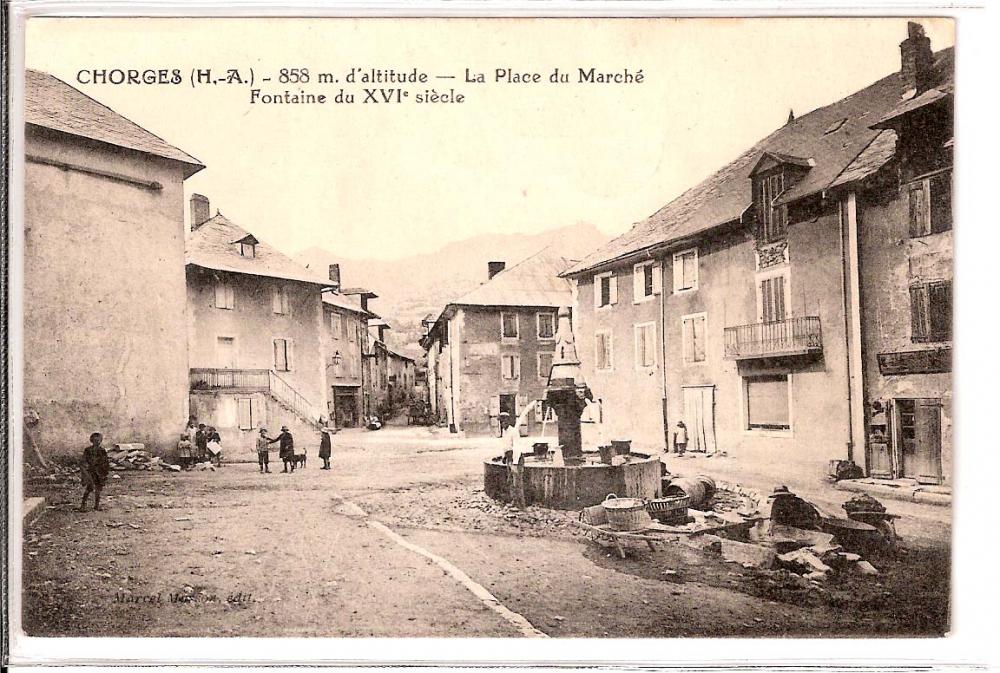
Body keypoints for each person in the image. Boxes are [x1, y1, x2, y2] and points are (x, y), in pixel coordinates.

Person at [78, 432, 110, 512]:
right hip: (90, 472)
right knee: (90, 488)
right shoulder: (88, 450)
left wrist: (105, 472)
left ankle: (96, 505)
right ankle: (83, 505)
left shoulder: (102, 451)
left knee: (98, 489)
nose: (97, 442)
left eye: (99, 440)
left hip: (99, 472)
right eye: (95, 440)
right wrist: (85, 472)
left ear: (101, 441)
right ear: (92, 441)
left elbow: (105, 462)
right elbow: (83, 461)